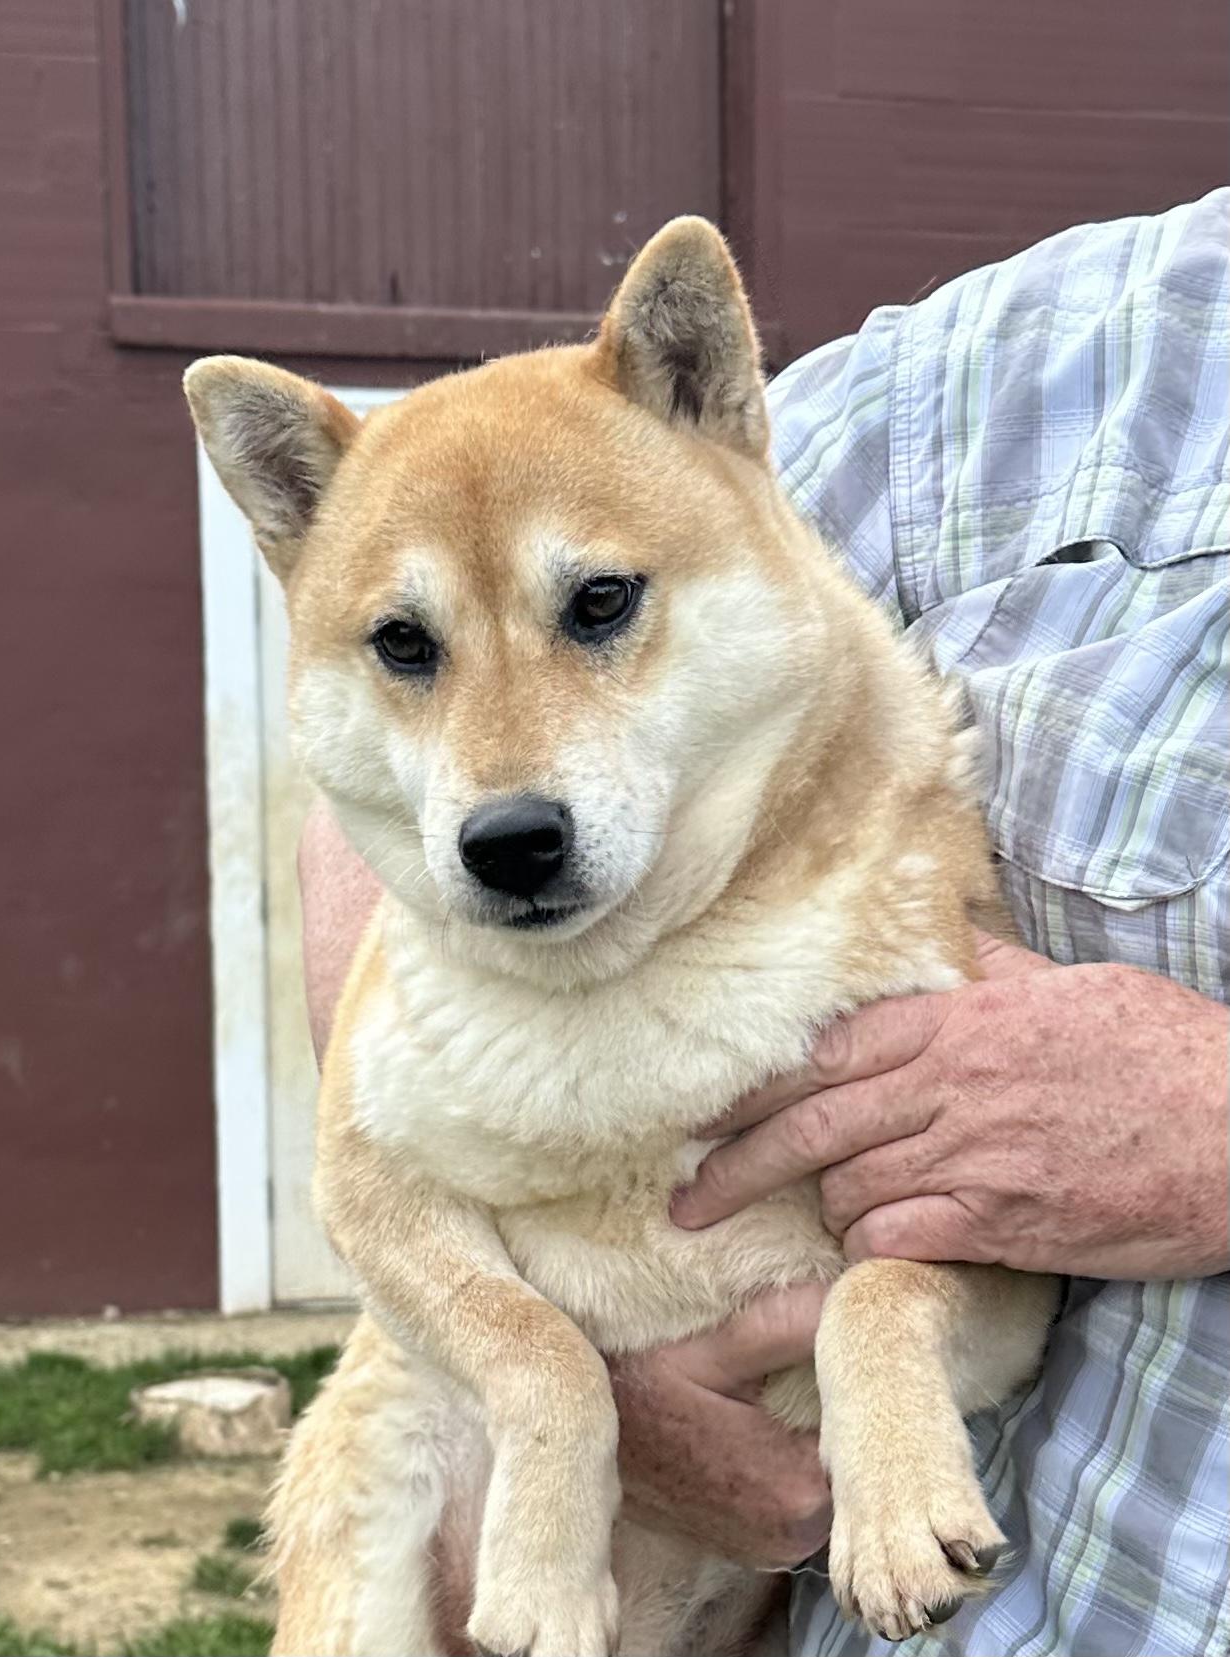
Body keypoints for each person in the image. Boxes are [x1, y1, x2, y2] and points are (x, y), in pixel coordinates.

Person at [298, 189, 1230, 1657]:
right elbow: (370, 1124)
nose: (502, 776)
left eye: (597, 609)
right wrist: (558, 1397)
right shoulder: (1017, 362)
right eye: (412, 649)